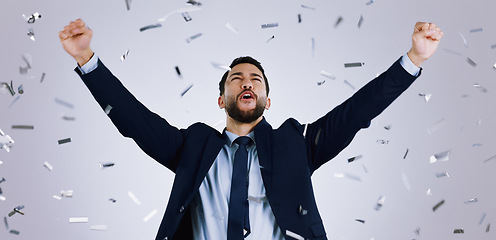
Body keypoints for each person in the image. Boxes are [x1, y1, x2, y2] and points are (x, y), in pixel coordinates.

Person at [59, 19, 443, 240]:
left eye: (255, 79)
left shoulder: (296, 143)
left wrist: (412, 60)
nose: (247, 82)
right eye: (236, 79)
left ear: (267, 101)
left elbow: (356, 112)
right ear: (221, 98)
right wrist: (86, 60)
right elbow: (135, 121)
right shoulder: (192, 144)